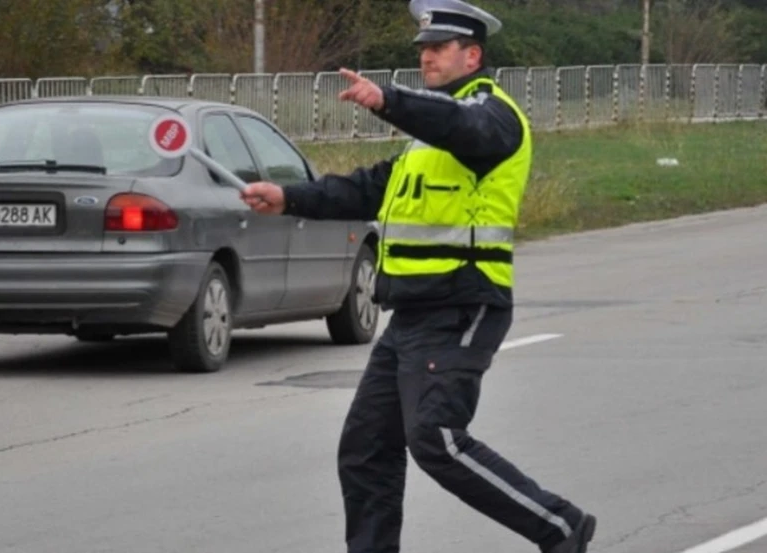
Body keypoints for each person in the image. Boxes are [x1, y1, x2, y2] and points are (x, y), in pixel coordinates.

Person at [240, 1, 597, 551]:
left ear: (472, 54)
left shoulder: (491, 115)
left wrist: (387, 99)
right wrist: (288, 197)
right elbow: (366, 189)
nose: (426, 56)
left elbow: (458, 124)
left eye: (438, 48)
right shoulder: (425, 137)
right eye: (423, 49)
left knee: (436, 440)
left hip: (461, 305)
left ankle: (560, 527)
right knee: (365, 451)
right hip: (408, 315)